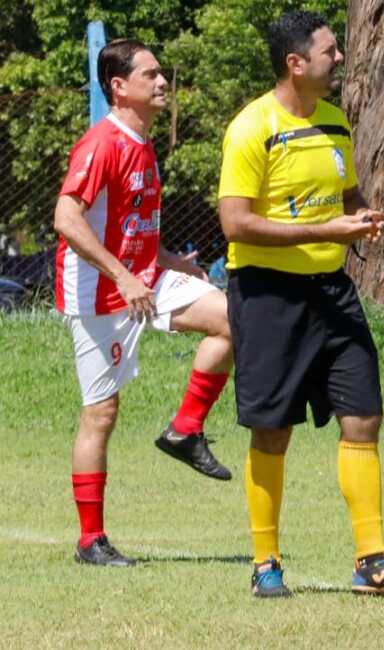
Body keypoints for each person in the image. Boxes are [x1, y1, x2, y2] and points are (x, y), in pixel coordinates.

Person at [218, 10, 384, 599]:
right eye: (329, 52)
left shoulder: (336, 122)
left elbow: (346, 194)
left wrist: (360, 215)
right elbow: (235, 224)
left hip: (333, 293)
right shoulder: (251, 128)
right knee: (272, 431)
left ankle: (372, 560)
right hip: (267, 296)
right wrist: (325, 232)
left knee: (363, 416)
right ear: (296, 63)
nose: (339, 59)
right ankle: (265, 564)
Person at [54, 39, 235, 568]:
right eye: (151, 75)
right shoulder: (101, 144)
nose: (162, 83)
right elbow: (67, 220)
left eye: (162, 75)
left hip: (145, 280)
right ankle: (91, 540)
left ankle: (185, 429)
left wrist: (174, 260)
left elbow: (129, 226)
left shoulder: (144, 143)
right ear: (119, 86)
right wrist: (123, 276)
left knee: (232, 320)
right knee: (101, 414)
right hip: (99, 294)